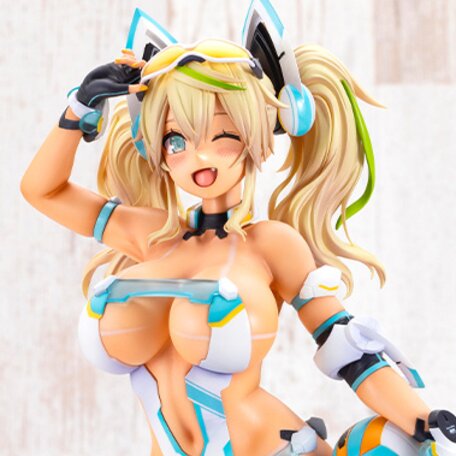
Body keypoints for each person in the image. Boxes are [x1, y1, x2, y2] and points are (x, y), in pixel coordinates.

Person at [20, 2, 456, 455]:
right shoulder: (151, 235)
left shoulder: (271, 246)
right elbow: (42, 191)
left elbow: (349, 350)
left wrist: (425, 419)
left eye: (223, 135)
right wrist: (78, 108)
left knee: (395, 445)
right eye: (177, 140)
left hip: (272, 447)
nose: (199, 157)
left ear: (255, 137)